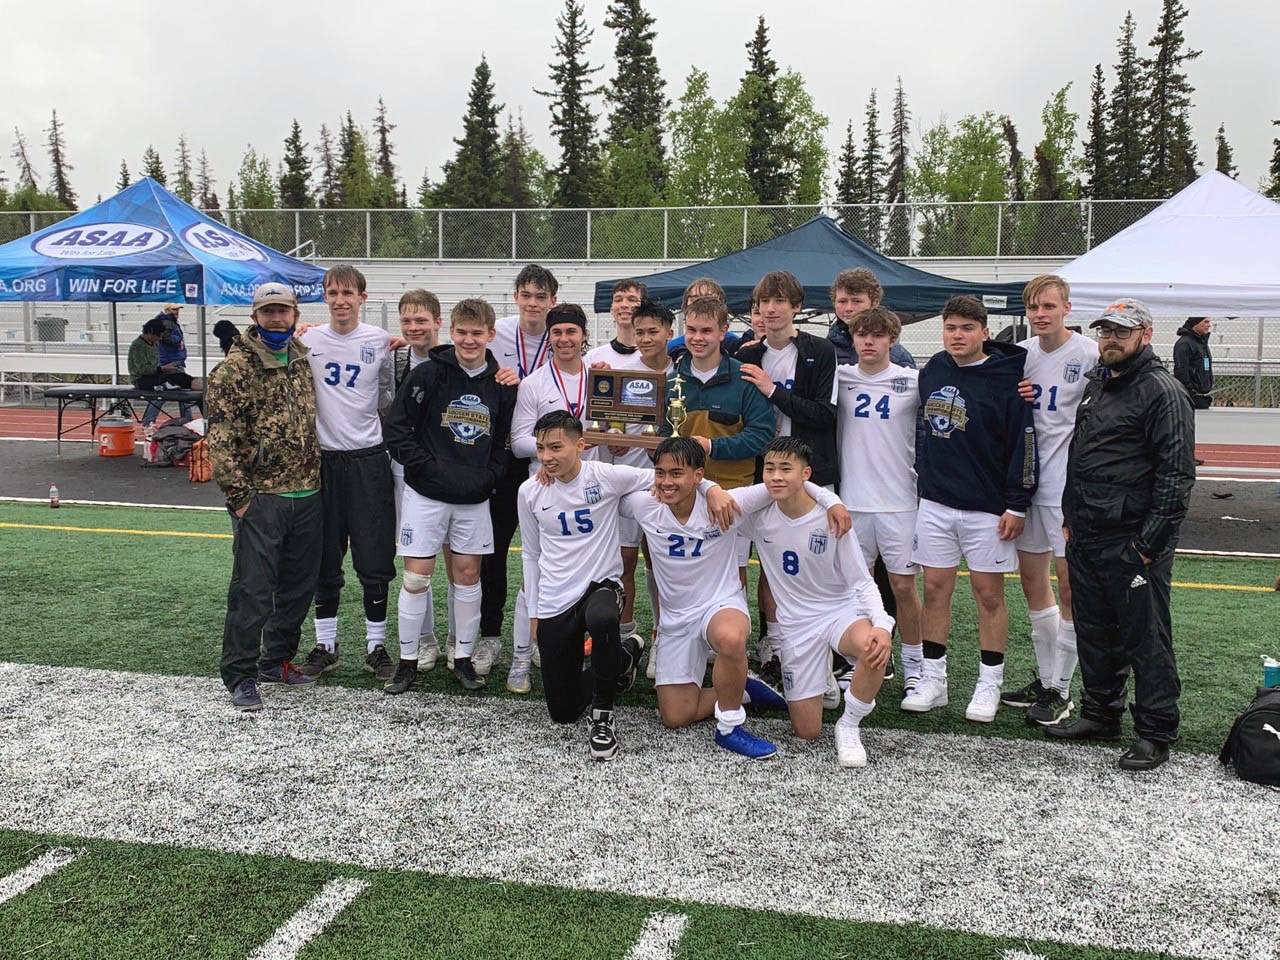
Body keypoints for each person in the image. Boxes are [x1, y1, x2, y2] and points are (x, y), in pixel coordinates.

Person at [517, 411, 738, 760]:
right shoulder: (530, 491)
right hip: (556, 595)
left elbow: (668, 477)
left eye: (557, 447)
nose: (547, 457)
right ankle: (623, 658)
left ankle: (603, 719)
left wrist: (711, 488)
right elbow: (530, 554)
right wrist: (533, 610)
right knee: (562, 712)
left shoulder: (606, 475)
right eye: (542, 448)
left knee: (605, 617)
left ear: (581, 445)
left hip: (601, 584)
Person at [621, 436, 847, 759]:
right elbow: (601, 487)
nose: (666, 482)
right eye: (660, 473)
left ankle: (729, 726)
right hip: (676, 619)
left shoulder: (726, 502)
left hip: (720, 604)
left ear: (698, 475)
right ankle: (743, 690)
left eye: (677, 474)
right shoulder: (645, 505)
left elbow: (782, 484)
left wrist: (831, 501)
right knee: (675, 717)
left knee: (729, 636)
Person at [1048, 298, 1195, 772]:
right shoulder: (1098, 385)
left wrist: (1147, 547)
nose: (1111, 339)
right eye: (1105, 331)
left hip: (1132, 539)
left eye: (1122, 332)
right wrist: (1070, 516)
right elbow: (1079, 456)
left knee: (1145, 637)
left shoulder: (1162, 391)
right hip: (1088, 534)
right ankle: (1100, 713)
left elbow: (1176, 477)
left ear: (1145, 335)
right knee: (1094, 630)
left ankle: (1154, 732)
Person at [904, 295, 1038, 723]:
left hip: (988, 507)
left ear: (984, 331)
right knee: (935, 591)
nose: (956, 336)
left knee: (989, 595)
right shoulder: (934, 370)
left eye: (966, 328)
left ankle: (989, 684)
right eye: (950, 328)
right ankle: (933, 678)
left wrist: (1017, 503)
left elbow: (1024, 442)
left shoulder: (1009, 377)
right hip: (937, 502)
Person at [384, 298, 516, 693]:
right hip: (426, 494)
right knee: (415, 577)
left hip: (473, 498)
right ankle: (408, 661)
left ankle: (462, 658)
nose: (469, 340)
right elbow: (396, 432)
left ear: (491, 335)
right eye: (462, 332)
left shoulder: (502, 385)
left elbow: (505, 444)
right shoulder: (426, 375)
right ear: (451, 332)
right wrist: (427, 468)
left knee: (469, 576)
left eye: (477, 333)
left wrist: (488, 477)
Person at [740, 437, 894, 767]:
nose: (776, 476)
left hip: (838, 611)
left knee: (873, 647)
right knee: (806, 730)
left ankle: (849, 725)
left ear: (806, 473)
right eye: (769, 469)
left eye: (785, 469)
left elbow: (861, 581)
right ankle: (817, 677)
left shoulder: (832, 518)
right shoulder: (759, 518)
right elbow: (722, 501)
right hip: (797, 627)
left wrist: (882, 623)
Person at [205, 282, 322, 711]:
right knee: (253, 589)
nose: (277, 319)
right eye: (268, 312)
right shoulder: (234, 370)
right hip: (263, 497)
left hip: (308, 493)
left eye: (283, 312)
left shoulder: (301, 360)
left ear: (294, 314)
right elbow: (221, 442)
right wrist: (240, 498)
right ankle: (240, 673)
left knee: (297, 586)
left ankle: (277, 660)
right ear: (255, 316)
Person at [1001, 276, 1099, 726]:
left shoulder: (1089, 354)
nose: (1040, 314)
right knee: (1032, 583)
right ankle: (1046, 678)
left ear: (1067, 308)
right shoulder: (1021, 354)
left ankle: (1063, 688)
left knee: (1069, 586)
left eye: (1048, 306)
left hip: (1067, 488)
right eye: (1033, 307)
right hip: (1027, 485)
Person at [294, 265, 398, 682]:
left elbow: (386, 394)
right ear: (325, 296)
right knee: (324, 556)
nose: (340, 300)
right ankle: (327, 644)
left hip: (368, 459)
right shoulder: (308, 340)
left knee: (374, 556)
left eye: (348, 293)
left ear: (362, 297)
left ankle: (375, 646)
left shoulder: (378, 341)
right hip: (323, 460)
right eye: (333, 292)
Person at [735, 271, 838, 679]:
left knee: (813, 561)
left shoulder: (820, 351)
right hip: (759, 473)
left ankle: (818, 642)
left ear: (797, 307)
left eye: (781, 301)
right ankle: (771, 642)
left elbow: (824, 414)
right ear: (757, 309)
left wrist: (772, 390)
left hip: (810, 473)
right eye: (765, 301)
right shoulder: (745, 355)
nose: (772, 309)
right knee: (767, 560)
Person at [507, 303, 598, 689]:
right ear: (550, 338)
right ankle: (520, 659)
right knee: (535, 574)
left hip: (587, 491)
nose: (564, 340)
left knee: (580, 578)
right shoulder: (534, 384)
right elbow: (517, 442)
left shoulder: (600, 377)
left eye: (571, 332)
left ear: (583, 336)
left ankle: (558, 648)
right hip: (544, 488)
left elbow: (608, 428)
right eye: (557, 333)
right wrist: (553, 451)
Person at [835, 305, 923, 693]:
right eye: (861, 335)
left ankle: (916, 667)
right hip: (852, 501)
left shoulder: (913, 380)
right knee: (859, 587)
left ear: (892, 340)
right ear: (852, 339)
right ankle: (862, 661)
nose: (868, 342)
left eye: (877, 336)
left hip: (900, 502)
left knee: (903, 588)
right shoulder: (839, 377)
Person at [664, 294, 774, 596]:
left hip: (731, 495)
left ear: (723, 331)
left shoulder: (743, 379)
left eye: (706, 331)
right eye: (692, 330)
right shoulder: (673, 380)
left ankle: (730, 638)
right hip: (684, 495)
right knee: (684, 569)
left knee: (733, 572)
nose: (698, 338)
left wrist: (713, 447)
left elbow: (762, 435)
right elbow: (662, 436)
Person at [480, 265, 559, 679]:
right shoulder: (498, 332)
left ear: (553, 301)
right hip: (501, 456)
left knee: (545, 555)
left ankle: (545, 633)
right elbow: (462, 351)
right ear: (515, 298)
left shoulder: (560, 336)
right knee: (493, 551)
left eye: (540, 296)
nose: (532, 303)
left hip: (543, 462)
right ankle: (490, 635)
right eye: (526, 294)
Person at [584, 279, 650, 653]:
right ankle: (600, 630)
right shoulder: (594, 358)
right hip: (599, 470)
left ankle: (630, 631)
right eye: (619, 298)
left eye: (633, 298)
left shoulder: (656, 358)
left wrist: (630, 440)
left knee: (632, 557)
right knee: (597, 555)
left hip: (640, 470)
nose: (625, 304)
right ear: (611, 308)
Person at [389, 288, 448, 671]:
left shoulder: (455, 358)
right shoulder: (394, 358)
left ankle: (461, 643)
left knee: (460, 560)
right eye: (407, 321)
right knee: (417, 558)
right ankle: (424, 639)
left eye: (421, 320)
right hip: (406, 470)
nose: (414, 328)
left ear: (438, 323)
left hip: (454, 470)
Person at [827, 268, 916, 369]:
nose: (848, 308)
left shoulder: (897, 356)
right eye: (842, 301)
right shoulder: (823, 350)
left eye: (856, 301)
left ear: (875, 303)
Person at [129, 317, 201, 400]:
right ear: (151, 332)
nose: (160, 339)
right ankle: (199, 387)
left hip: (154, 375)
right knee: (174, 378)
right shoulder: (138, 346)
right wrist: (163, 369)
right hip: (141, 380)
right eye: (159, 336)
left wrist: (165, 369)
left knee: (179, 375)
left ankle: (199, 389)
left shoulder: (154, 343)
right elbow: (142, 369)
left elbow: (155, 366)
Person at [1173, 316, 1213, 410]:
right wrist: (1191, 392)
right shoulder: (1184, 344)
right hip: (1191, 400)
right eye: (1206, 322)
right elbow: (1181, 371)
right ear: (1196, 323)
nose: (1209, 325)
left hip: (1201, 398)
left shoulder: (1202, 343)